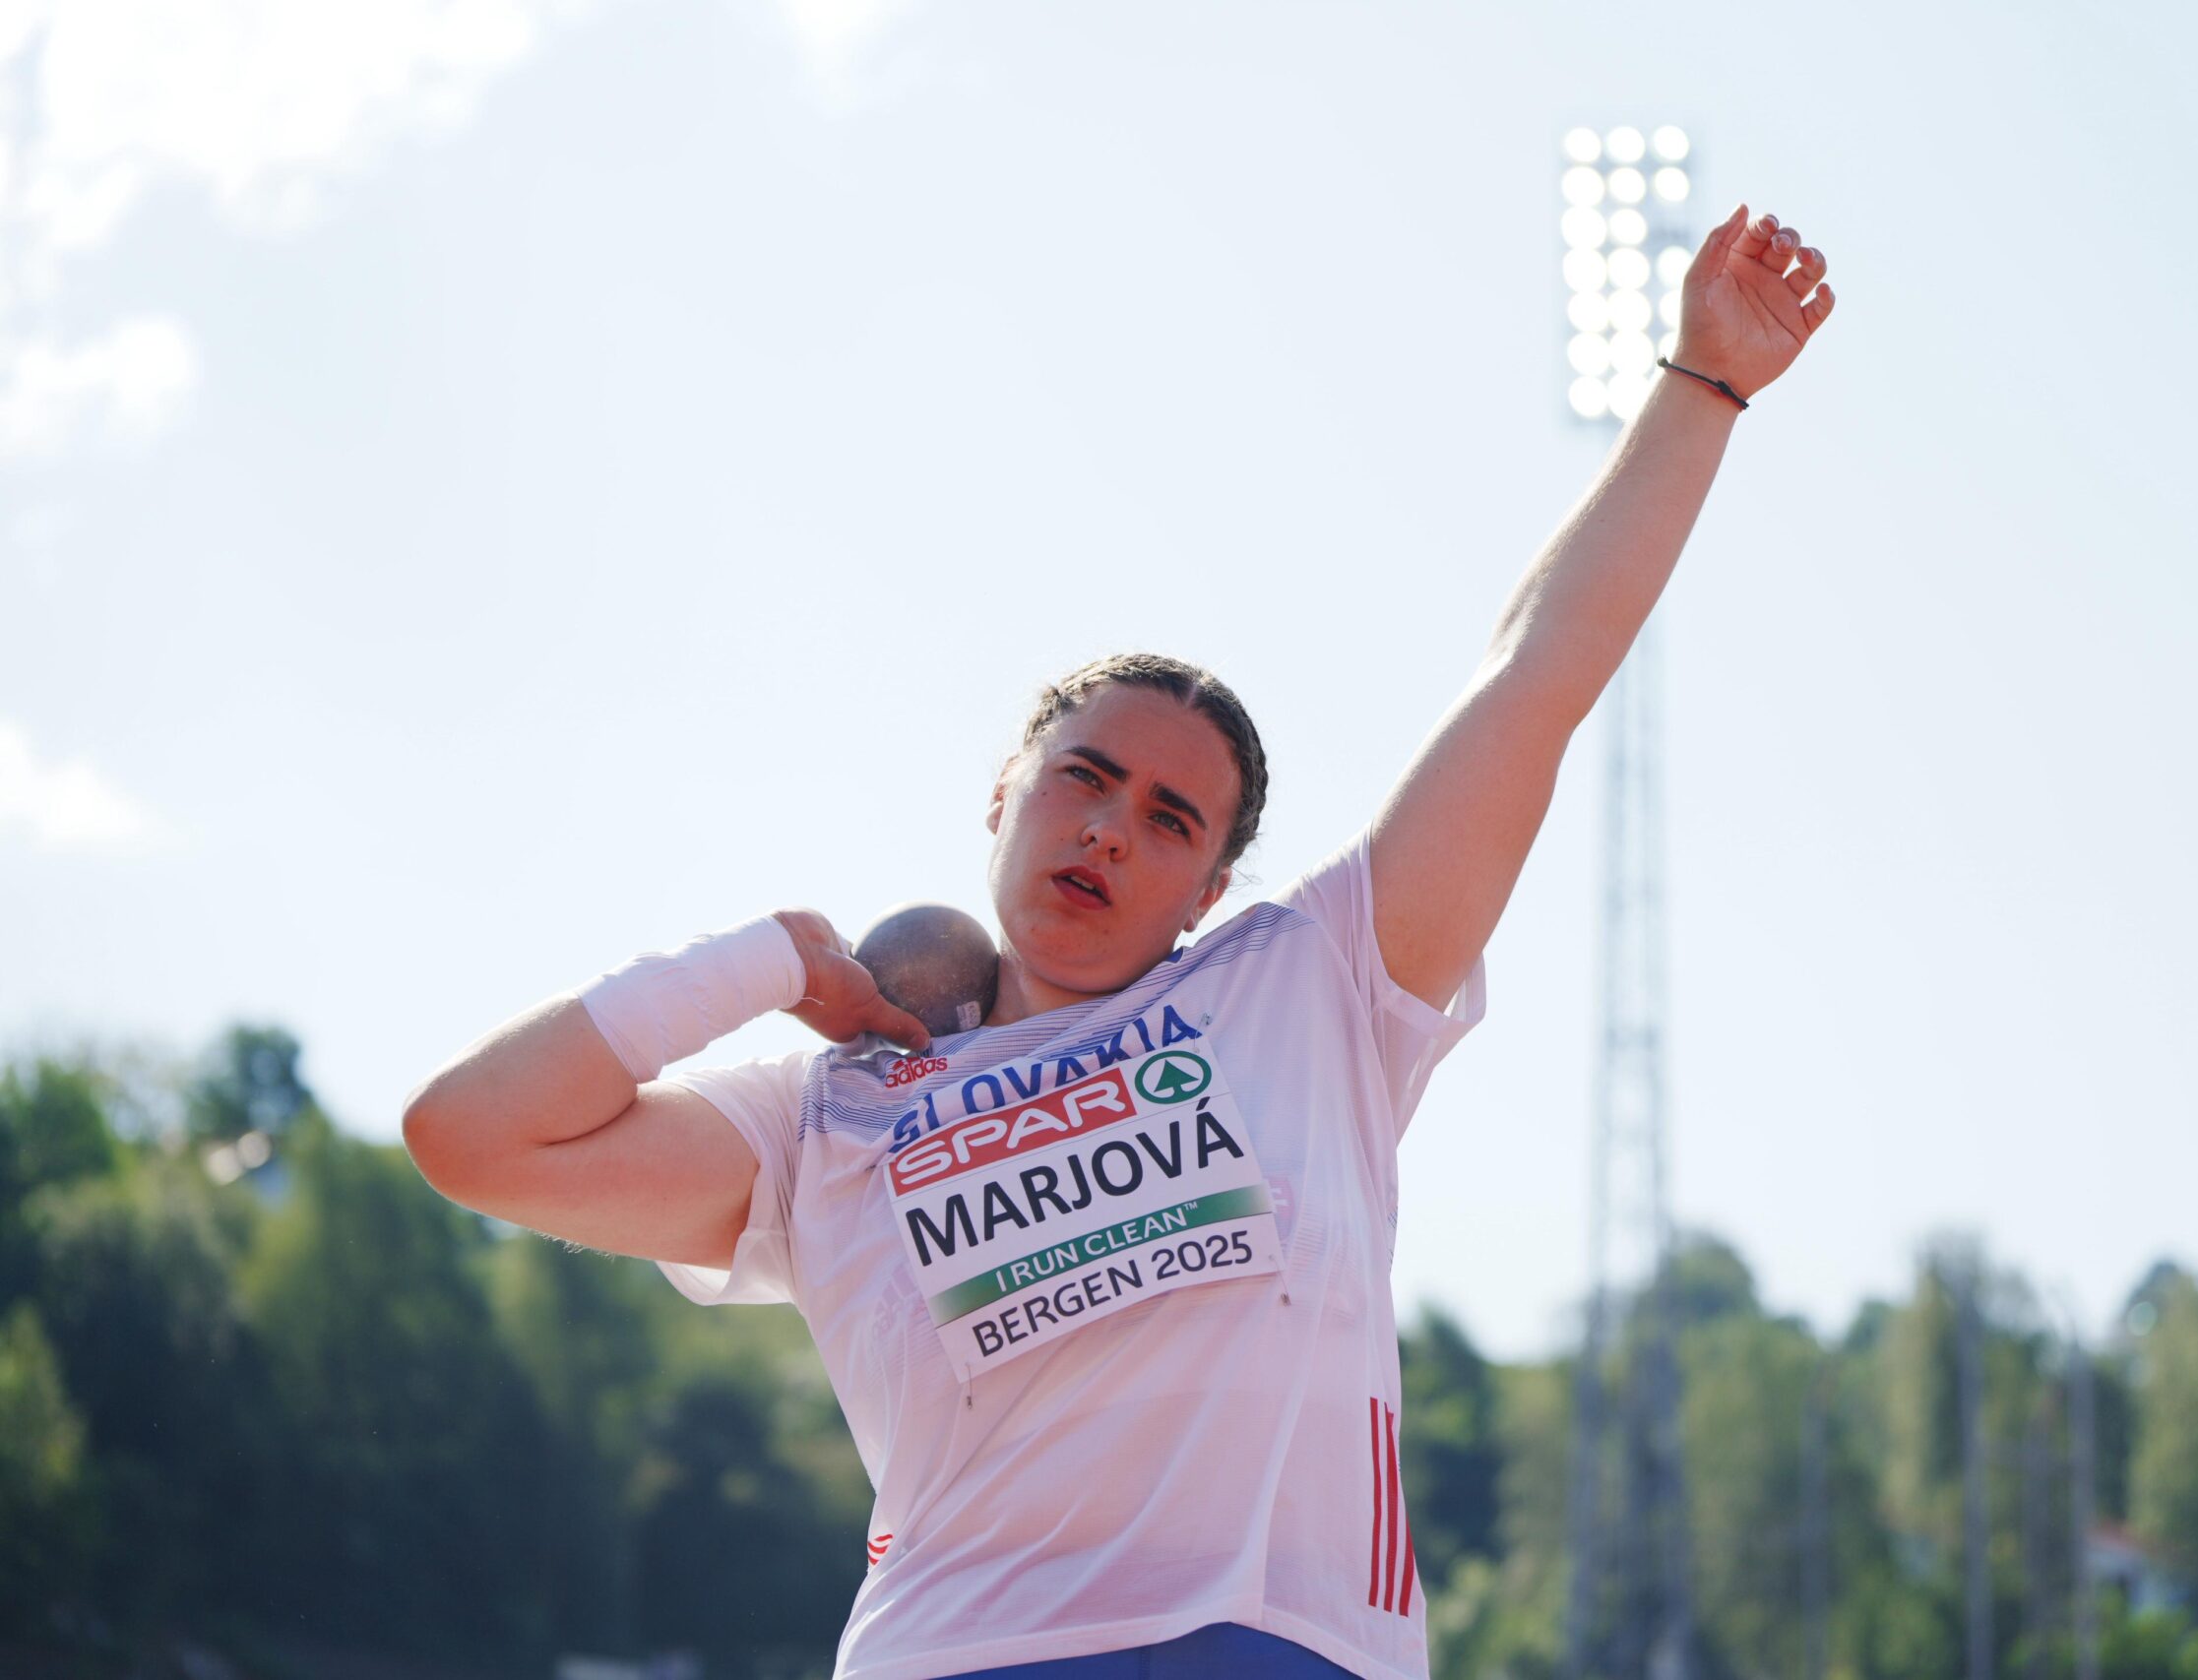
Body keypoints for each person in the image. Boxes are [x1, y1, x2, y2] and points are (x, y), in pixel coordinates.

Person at [402, 204, 1834, 1680]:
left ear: (1210, 886)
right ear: (1005, 795)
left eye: (1167, 818)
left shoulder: (1315, 983)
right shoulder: (828, 1113)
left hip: (1285, 1642)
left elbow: (1533, 679)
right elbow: (473, 1137)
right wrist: (772, 957)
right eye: (1082, 781)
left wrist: (1701, 385)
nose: (1107, 831)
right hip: (961, 1650)